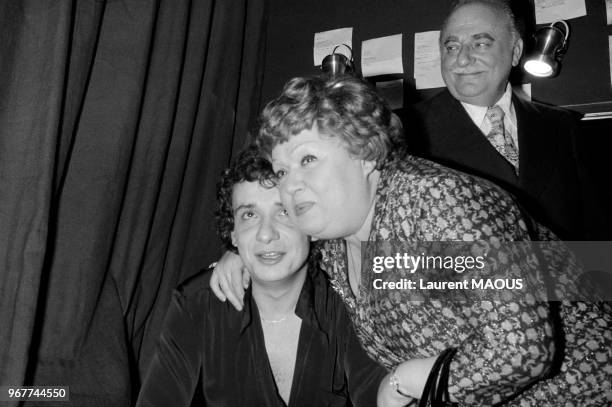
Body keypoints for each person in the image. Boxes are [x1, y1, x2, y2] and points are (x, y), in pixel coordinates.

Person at [211, 75, 612, 406]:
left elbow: (521, 348)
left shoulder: (435, 207)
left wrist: (407, 380)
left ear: (366, 152)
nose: (290, 186)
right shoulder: (338, 236)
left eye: (308, 160)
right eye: (281, 172)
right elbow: (274, 237)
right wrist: (238, 255)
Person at [136, 146, 387, 407]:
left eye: (284, 212)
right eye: (249, 215)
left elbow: (377, 392)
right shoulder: (197, 305)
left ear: (310, 226)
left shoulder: (346, 297)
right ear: (234, 233)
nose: (266, 234)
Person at [408, 0, 595, 240]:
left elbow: (595, 232)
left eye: (481, 43)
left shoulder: (563, 127)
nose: (462, 59)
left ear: (515, 51)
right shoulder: (405, 132)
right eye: (452, 47)